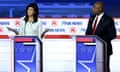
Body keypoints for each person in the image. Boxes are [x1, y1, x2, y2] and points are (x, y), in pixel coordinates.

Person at [85, 1, 116, 72]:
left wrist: (98, 40)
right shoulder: (92, 18)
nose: (93, 9)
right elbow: (88, 32)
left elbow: (112, 34)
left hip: (104, 49)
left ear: (100, 9)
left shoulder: (108, 20)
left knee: (105, 68)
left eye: (95, 8)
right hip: (91, 49)